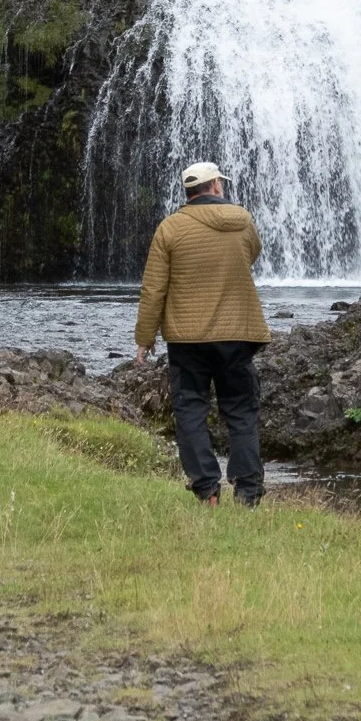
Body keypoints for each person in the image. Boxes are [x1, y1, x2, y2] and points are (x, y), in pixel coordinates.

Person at [135, 162, 271, 506]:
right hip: (238, 332)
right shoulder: (243, 221)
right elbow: (250, 255)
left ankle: (207, 489)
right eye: (220, 184)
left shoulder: (170, 228)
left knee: (191, 410)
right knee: (241, 411)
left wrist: (144, 338)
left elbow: (153, 289)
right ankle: (248, 493)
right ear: (213, 187)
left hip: (187, 337)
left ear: (189, 191)